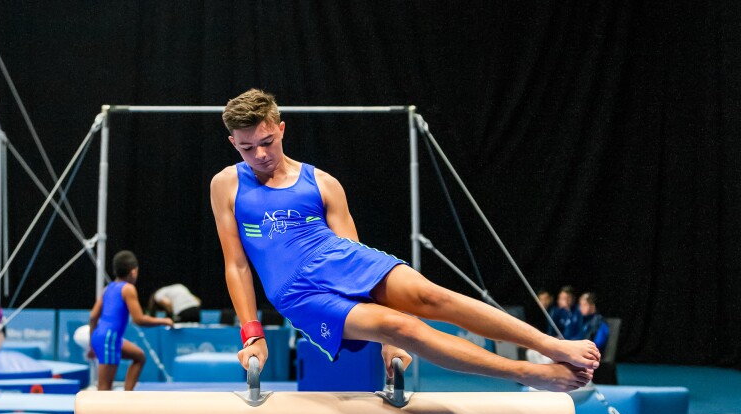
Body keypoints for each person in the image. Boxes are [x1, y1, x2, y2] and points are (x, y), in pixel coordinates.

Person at [210, 89, 599, 392]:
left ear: (281, 128)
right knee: (405, 330)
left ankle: (551, 344)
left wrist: (384, 345)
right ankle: (530, 373)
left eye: (266, 142)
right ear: (233, 143)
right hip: (297, 293)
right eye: (247, 147)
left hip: (338, 258)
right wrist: (253, 333)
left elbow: (353, 253)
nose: (259, 154)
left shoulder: (323, 183)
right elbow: (237, 264)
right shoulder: (227, 184)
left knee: (434, 298)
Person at [89, 251, 172, 391]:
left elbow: (93, 317)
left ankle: (127, 396)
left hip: (101, 336)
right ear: (133, 272)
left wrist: (92, 344)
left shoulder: (108, 288)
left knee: (139, 356)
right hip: (109, 339)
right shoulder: (128, 289)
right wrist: (164, 321)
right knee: (104, 389)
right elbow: (138, 319)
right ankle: (102, 412)